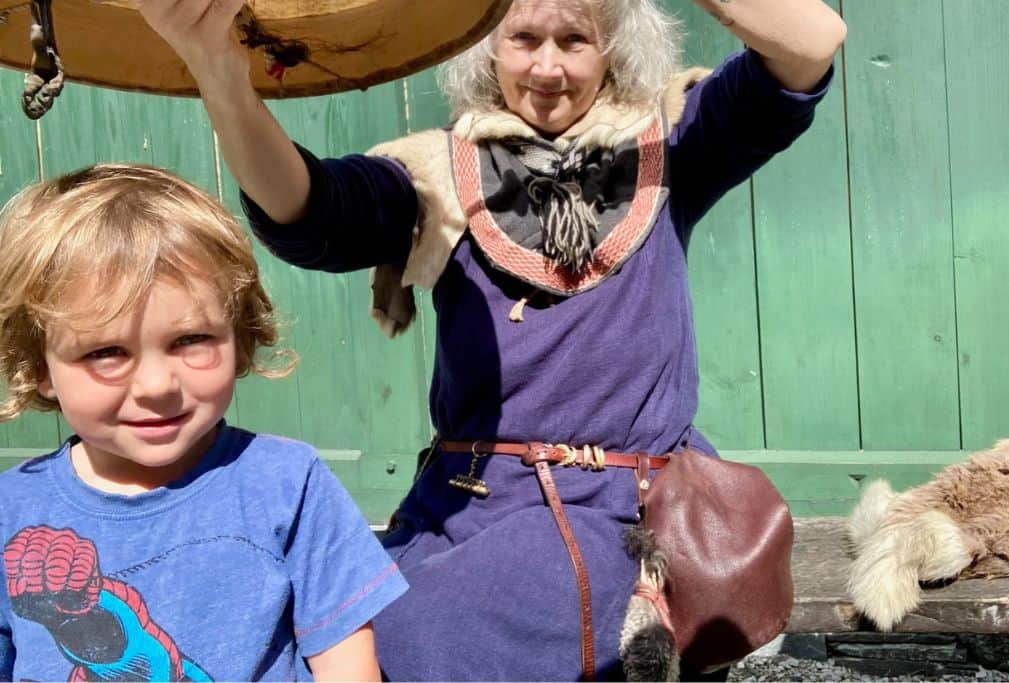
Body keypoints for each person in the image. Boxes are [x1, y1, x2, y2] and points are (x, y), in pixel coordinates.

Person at [139, 0, 846, 679]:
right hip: (461, 509)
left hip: (630, 515)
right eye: (524, 40)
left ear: (614, 49)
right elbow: (308, 206)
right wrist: (219, 73)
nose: (547, 68)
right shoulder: (437, 173)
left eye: (574, 41)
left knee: (421, 628)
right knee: (327, 621)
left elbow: (812, 42)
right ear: (486, 49)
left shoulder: (670, 146)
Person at [0, 163, 408, 681]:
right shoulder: (11, 511)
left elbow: (347, 664)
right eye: (106, 351)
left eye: (190, 339)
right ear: (39, 368)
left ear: (238, 337)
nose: (156, 386)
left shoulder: (284, 483)